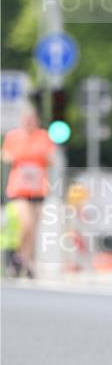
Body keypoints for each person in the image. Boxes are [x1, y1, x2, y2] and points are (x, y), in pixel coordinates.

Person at [1, 105, 55, 278]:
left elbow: (51, 158)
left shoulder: (44, 136)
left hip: (38, 187)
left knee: (34, 228)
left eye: (32, 120)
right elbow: (6, 156)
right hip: (19, 187)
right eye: (27, 120)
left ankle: (26, 261)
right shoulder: (13, 136)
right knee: (26, 223)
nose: (29, 123)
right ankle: (19, 257)